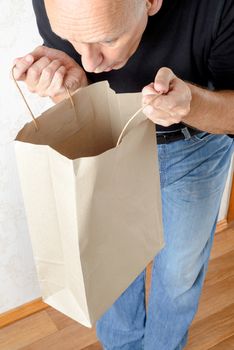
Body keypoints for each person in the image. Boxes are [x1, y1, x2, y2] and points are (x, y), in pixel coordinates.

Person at [13, 0, 234, 349]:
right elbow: (81, 80)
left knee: (179, 274)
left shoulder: (218, 8)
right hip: (105, 143)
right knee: (110, 267)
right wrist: (70, 87)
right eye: (72, 39)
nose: (89, 61)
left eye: (107, 40)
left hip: (194, 148)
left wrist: (191, 103)